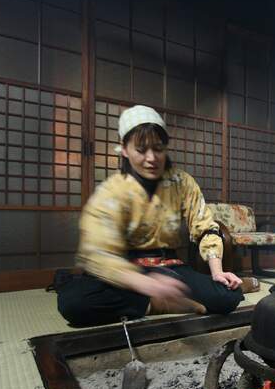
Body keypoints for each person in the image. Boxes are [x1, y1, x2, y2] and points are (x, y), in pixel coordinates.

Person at [57, 105, 244, 326]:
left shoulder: (181, 182)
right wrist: (146, 284)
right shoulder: (112, 190)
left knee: (229, 296)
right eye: (141, 149)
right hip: (127, 272)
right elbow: (98, 252)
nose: (151, 158)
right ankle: (159, 303)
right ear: (124, 150)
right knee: (73, 302)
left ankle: (150, 302)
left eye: (158, 148)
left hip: (170, 267)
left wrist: (217, 272)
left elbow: (205, 227)